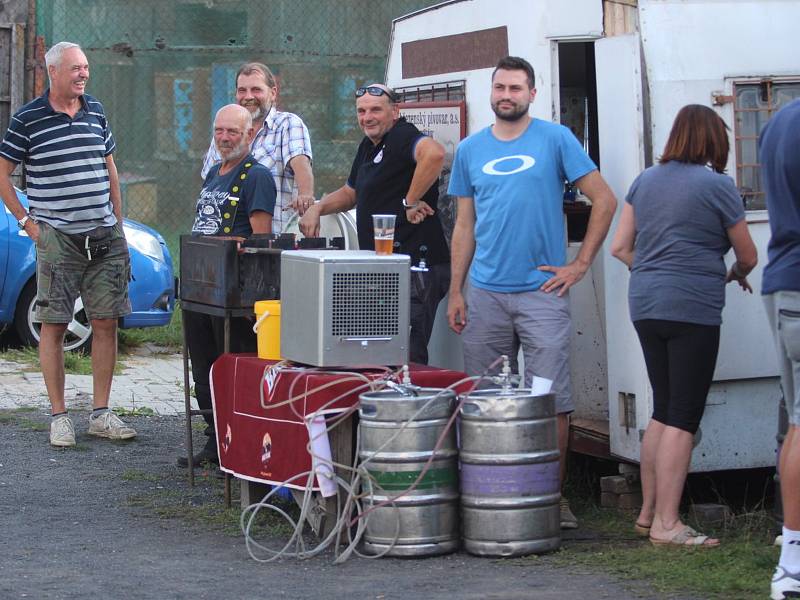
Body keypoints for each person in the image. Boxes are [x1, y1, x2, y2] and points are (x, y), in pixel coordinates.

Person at [446, 56, 617, 529]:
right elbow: (465, 225)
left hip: (542, 293)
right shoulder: (469, 150)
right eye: (499, 87)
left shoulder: (556, 139)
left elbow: (604, 199)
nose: (506, 95)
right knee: (483, 401)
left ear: (532, 93)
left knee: (550, 400)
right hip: (484, 294)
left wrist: (580, 264)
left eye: (515, 88)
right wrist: (455, 291)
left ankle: (550, 498)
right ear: (491, 92)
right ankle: (485, 496)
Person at [610, 104, 757, 547]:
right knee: (684, 416)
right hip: (691, 305)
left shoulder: (645, 180)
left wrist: (654, 270)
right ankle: (669, 525)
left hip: (646, 303)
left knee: (664, 408)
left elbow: (621, 247)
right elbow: (747, 254)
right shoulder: (718, 186)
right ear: (714, 142)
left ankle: (647, 513)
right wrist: (732, 273)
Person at [0, 41, 137, 447]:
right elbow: (3, 173)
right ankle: (60, 416)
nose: (84, 74)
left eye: (86, 68)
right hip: (58, 239)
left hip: (104, 235)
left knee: (106, 322)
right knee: (54, 325)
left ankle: (100, 413)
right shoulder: (27, 119)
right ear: (53, 72)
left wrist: (118, 220)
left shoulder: (95, 110)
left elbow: (109, 166)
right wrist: (29, 224)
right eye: (76, 68)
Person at [299, 83, 450, 365]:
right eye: (361, 111)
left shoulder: (403, 135)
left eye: (375, 110)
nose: (367, 117)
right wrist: (318, 207)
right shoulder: (369, 145)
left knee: (405, 354)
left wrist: (410, 201)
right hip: (384, 268)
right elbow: (350, 194)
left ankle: (406, 406)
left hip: (415, 266)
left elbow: (435, 154)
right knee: (379, 351)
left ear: (395, 111)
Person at [178, 104, 276, 467]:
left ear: (249, 134)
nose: (224, 138)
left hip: (234, 294)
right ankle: (214, 440)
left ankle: (239, 446)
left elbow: (262, 240)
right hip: (202, 288)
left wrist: (237, 246)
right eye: (219, 131)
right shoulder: (214, 174)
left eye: (232, 132)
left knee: (231, 368)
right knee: (203, 368)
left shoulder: (257, 176)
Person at [760, 99, 800, 598]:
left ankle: (792, 554)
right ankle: (792, 567)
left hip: (783, 279)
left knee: (796, 419)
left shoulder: (778, 121)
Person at [201, 62, 313, 234]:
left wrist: (306, 196)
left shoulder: (287, 124)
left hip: (275, 238)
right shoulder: (225, 133)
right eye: (242, 90)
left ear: (273, 93)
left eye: (256, 90)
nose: (248, 96)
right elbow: (211, 182)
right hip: (225, 242)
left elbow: (301, 164)